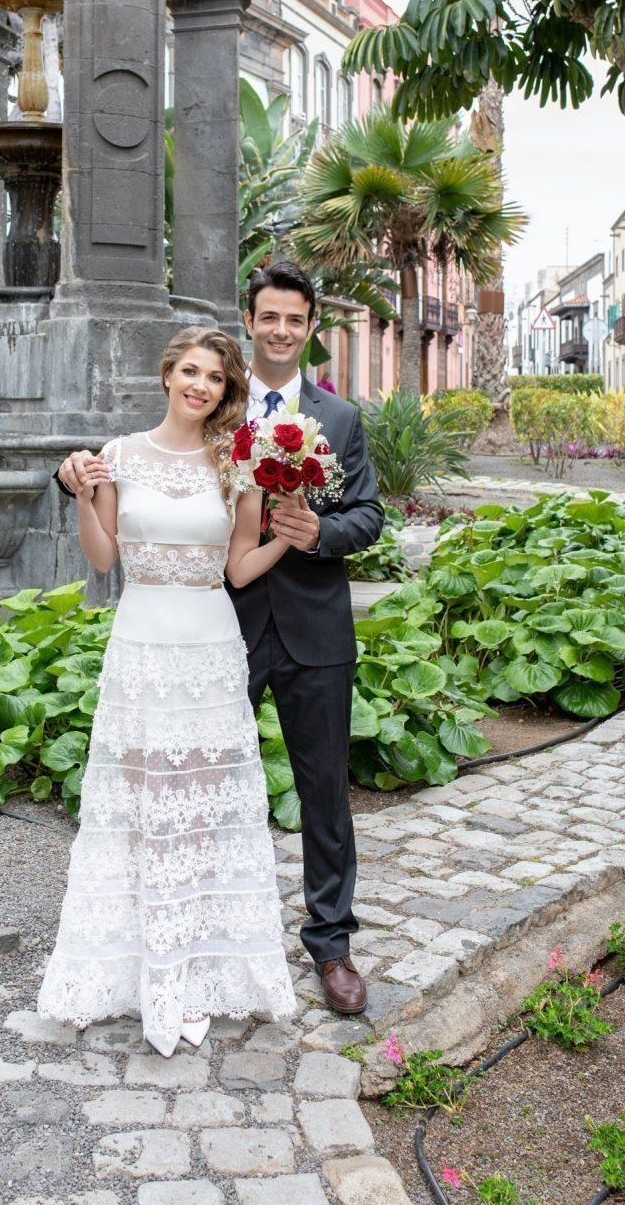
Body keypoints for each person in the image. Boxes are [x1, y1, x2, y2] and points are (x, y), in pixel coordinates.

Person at [56, 264, 385, 1016]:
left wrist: (318, 530)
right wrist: (68, 470)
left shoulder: (339, 419)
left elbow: (367, 515)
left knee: (324, 792)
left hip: (312, 630)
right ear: (249, 320)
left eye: (293, 320)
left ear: (309, 327)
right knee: (191, 791)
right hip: (212, 632)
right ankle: (190, 933)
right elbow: (140, 476)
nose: (279, 330)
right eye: (267, 317)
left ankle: (331, 945)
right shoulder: (216, 422)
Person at [37, 326, 297, 1058]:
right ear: (166, 375)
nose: (201, 386)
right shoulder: (115, 455)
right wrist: (84, 497)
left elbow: (240, 569)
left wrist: (294, 538)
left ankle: (193, 973)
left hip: (210, 651)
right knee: (141, 811)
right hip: (141, 646)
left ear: (225, 389)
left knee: (202, 813)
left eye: (215, 377)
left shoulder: (235, 461)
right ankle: (132, 971)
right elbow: (102, 558)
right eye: (190, 370)